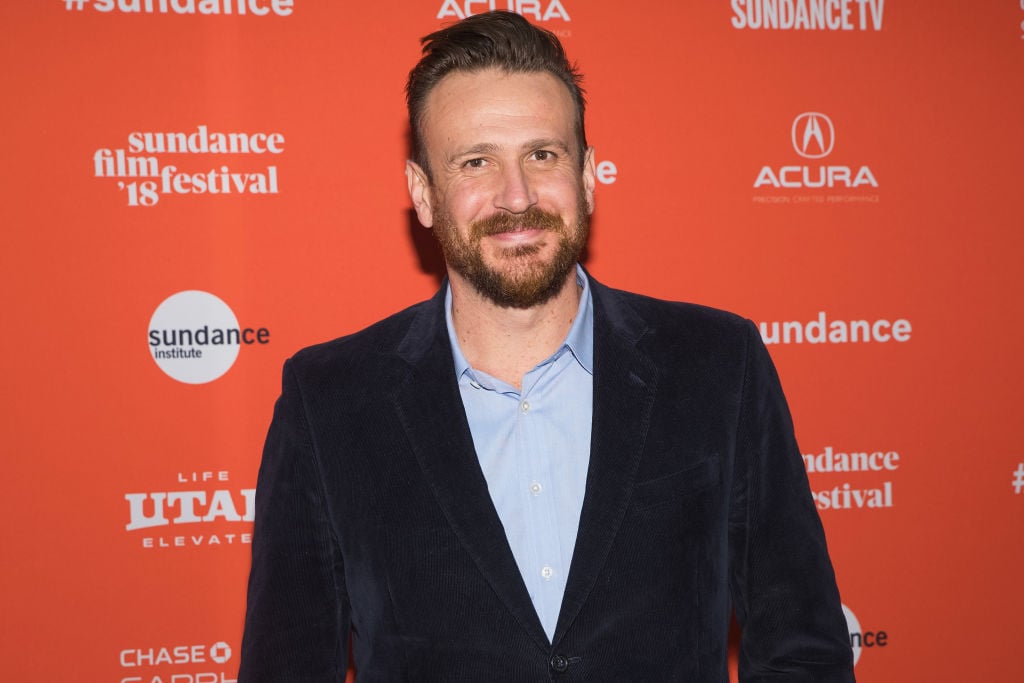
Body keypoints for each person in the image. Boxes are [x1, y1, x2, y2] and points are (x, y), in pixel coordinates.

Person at [239, 11, 854, 682]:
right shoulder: (329, 400)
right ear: (424, 193)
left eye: (542, 154)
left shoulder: (717, 365)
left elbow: (804, 650)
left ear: (587, 175)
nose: (517, 195)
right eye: (476, 162)